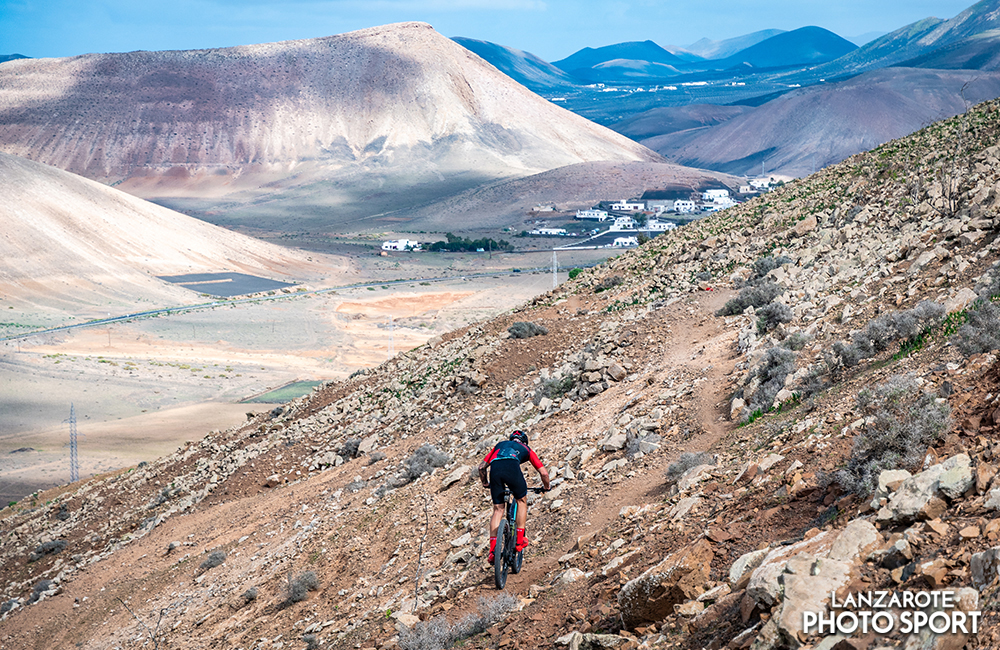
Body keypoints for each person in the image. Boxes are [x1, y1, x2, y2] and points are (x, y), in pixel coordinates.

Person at [479, 430, 551, 565]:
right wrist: (546, 487)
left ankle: (493, 552)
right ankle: (519, 541)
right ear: (524, 442)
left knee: (498, 510)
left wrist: (485, 482)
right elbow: (544, 473)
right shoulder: (526, 449)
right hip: (512, 467)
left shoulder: (499, 445)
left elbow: (481, 467)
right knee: (521, 500)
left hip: (495, 470)